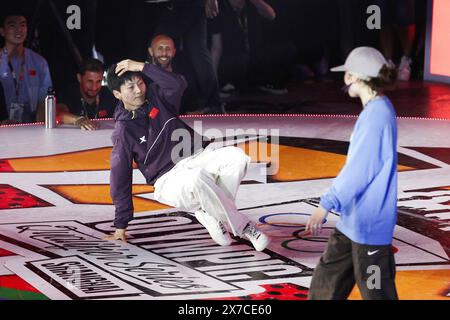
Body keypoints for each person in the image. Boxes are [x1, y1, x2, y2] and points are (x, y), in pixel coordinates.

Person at [103, 49, 270, 251]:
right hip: (167, 179)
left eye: (140, 82)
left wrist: (141, 66)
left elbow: (178, 83)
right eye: (131, 87)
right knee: (197, 178)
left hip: (198, 155)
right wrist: (121, 224)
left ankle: (209, 213)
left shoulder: (156, 96)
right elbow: (120, 176)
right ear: (117, 94)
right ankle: (244, 226)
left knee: (237, 158)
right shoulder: (123, 130)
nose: (139, 90)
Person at [305, 47, 399, 300]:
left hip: (369, 225)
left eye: (346, 72)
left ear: (354, 77)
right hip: (353, 223)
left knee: (377, 292)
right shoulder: (377, 109)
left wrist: (326, 204)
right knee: (325, 285)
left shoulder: (376, 116)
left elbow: (359, 171)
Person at [153, 0, 224, 114]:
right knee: (196, 49)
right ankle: (212, 103)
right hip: (188, 5)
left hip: (185, 5)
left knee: (158, 45)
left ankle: (162, 105)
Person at [0, 9, 53, 124]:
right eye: (12, 25)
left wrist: (40, 131)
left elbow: (43, 101)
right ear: (2, 31)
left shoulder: (39, 62)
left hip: (30, 129)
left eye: (22, 25)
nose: (19, 30)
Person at [57, 58, 117, 130]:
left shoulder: (110, 94)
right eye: (90, 81)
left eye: (98, 81)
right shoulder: (69, 93)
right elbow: (59, 113)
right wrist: (77, 120)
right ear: (79, 78)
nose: (94, 87)